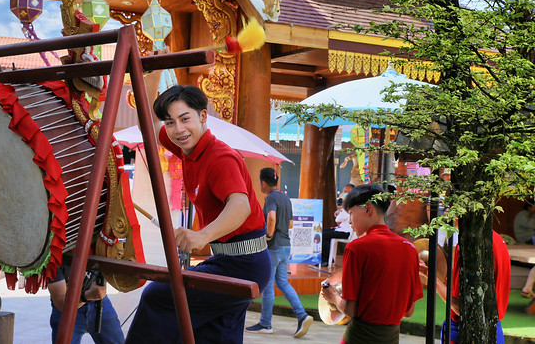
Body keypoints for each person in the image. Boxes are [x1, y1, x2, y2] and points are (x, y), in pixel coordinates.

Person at [124, 85, 271, 343]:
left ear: (203, 116)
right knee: (215, 335)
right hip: (227, 260)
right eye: (170, 122)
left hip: (244, 265)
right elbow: (147, 125)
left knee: (158, 296)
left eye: (185, 119)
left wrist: (203, 235)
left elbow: (240, 206)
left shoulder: (220, 157)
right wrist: (148, 74)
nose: (178, 129)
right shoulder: (186, 148)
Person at [321, 184, 423, 343]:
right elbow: (408, 312)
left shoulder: (356, 248)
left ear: (368, 209)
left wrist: (334, 296)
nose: (349, 221)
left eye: (351, 213)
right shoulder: (409, 249)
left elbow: (350, 309)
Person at [246, 167, 313, 337]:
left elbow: (271, 217)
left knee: (268, 285)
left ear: (263, 182)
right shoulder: (285, 198)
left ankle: (265, 324)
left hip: (274, 247)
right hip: (285, 246)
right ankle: (302, 315)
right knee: (283, 283)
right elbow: (290, 223)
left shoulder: (271, 198)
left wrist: (268, 236)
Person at [420, 226, 511, 343]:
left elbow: (461, 308)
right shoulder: (497, 239)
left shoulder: (468, 244)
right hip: (494, 331)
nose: (446, 213)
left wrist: (430, 276)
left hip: (466, 332)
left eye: (450, 208)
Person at [48, 266, 124, 344]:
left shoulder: (99, 253)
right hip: (68, 310)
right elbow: (61, 301)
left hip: (98, 302)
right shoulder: (55, 258)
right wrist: (86, 296)